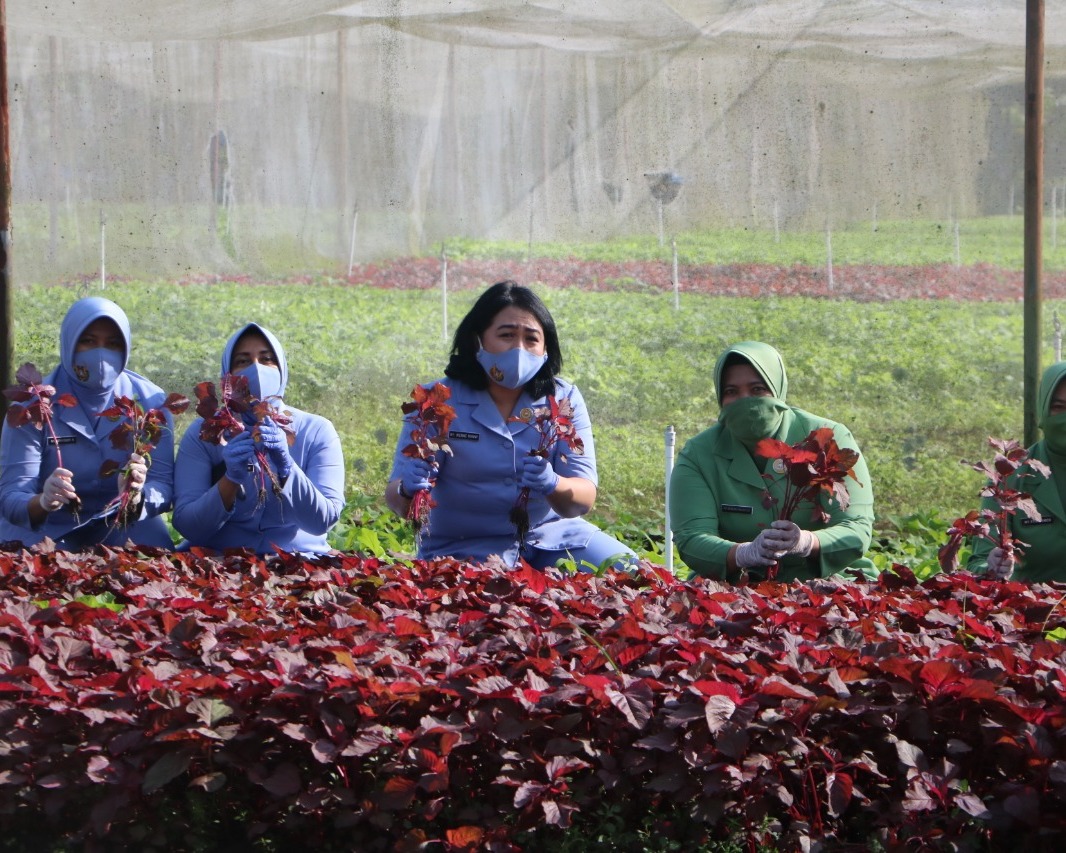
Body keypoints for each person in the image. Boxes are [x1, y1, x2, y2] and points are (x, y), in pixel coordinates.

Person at [386, 280, 635, 571]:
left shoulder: (562, 400)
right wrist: (407, 489)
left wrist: (553, 483)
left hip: (550, 538)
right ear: (478, 340)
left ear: (545, 349)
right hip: (463, 545)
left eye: (531, 339)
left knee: (628, 570)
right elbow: (397, 501)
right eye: (506, 335)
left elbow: (582, 497)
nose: (519, 349)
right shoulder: (436, 401)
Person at [669, 341, 875, 582]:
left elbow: (856, 529)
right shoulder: (700, 454)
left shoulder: (827, 438)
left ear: (777, 389)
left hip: (830, 581)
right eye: (732, 392)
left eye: (757, 389)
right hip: (735, 585)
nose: (745, 401)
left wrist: (808, 542)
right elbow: (692, 538)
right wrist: (742, 554)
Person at [0, 296, 176, 549]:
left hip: (123, 525)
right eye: (88, 341)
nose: (101, 355)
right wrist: (42, 501)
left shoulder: (151, 404)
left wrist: (137, 498)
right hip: (47, 529)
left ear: (126, 348)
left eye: (113, 343)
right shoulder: (32, 408)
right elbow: (10, 497)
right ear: (69, 342)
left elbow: (163, 485)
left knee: (158, 564)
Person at [172, 323, 345, 555]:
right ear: (228, 374)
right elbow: (188, 525)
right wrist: (230, 479)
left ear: (282, 368)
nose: (257, 370)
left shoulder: (317, 431)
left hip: (299, 558)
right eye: (243, 361)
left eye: (266, 360)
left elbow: (323, 520)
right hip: (219, 558)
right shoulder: (205, 432)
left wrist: (286, 468)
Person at [969, 361, 1066, 581]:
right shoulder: (1010, 477)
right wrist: (992, 565)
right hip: (1031, 609)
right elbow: (979, 561)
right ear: (1043, 409)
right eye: (1059, 407)